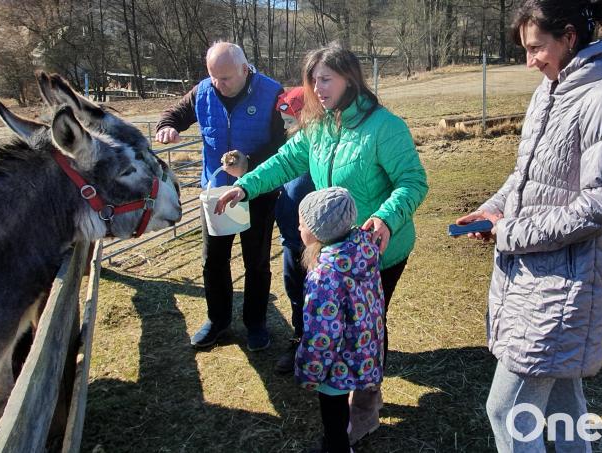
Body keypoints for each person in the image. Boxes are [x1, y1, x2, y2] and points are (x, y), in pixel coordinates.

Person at [214, 42, 428, 444]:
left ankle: (364, 407)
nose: (319, 87)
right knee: (344, 322)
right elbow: (283, 162)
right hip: (332, 249)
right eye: (314, 81)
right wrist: (243, 187)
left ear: (350, 77)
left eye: (326, 79)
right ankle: (344, 386)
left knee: (368, 322)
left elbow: (413, 183)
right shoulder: (318, 126)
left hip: (380, 249)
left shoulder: (386, 127)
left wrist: (384, 218)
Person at [455, 1, 602, 451]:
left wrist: (510, 233)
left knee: (507, 411)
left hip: (564, 286)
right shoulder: (548, 91)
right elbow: (526, 178)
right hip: (531, 278)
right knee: (562, 408)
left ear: (570, 37)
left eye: (536, 48)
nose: (530, 60)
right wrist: (491, 209)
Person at [155, 41, 285, 351]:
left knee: (256, 262)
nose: (218, 84)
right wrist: (167, 126)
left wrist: (250, 164)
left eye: (225, 78)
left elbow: (285, 144)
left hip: (257, 191)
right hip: (215, 193)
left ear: (244, 69)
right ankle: (218, 321)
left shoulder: (271, 93)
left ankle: (256, 324)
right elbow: (176, 113)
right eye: (213, 76)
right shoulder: (202, 92)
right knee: (213, 260)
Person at [220, 87, 316, 374]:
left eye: (292, 120)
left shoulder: (319, 151)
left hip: (319, 242)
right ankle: (300, 340)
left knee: (321, 293)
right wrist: (244, 175)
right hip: (291, 239)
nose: (287, 127)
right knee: (296, 290)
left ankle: (327, 346)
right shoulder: (290, 150)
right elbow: (274, 171)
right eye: (284, 121)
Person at [294, 187, 384, 453]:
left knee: (333, 417)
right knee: (340, 410)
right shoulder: (364, 250)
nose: (298, 228)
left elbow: (321, 336)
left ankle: (337, 446)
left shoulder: (325, 277)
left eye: (302, 223)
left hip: (336, 366)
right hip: (363, 350)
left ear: (319, 230)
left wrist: (310, 371)